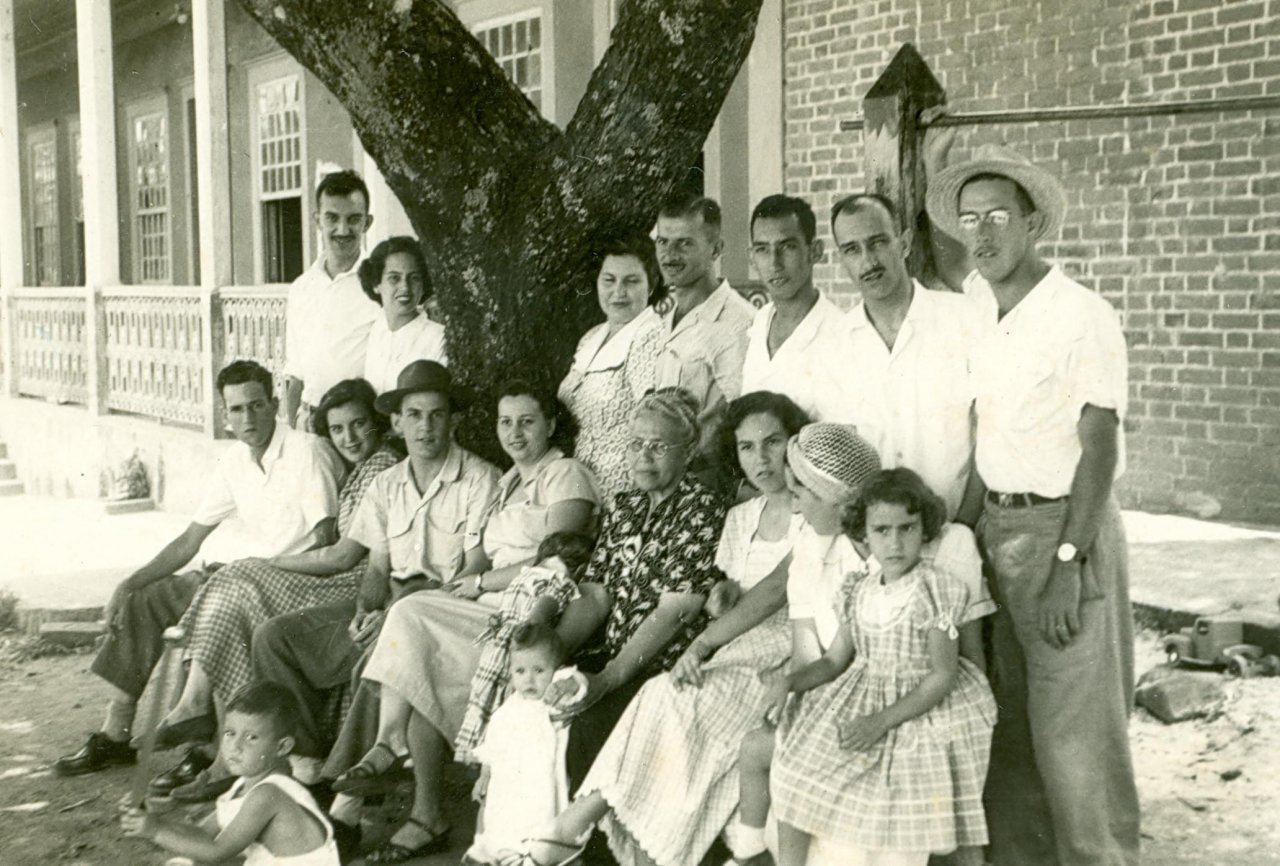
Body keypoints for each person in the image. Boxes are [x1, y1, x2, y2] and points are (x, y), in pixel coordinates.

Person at [925, 143, 1138, 866]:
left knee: (1074, 737)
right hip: (998, 532)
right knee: (1006, 726)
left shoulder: (1081, 315)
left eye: (997, 218)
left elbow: (1100, 447)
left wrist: (1071, 564)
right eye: (969, 220)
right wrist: (965, 524)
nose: (981, 234)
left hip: (1063, 532)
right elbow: (989, 426)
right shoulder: (982, 303)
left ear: (1033, 223)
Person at [526, 391, 809, 866]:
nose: (760, 459)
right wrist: (553, 651)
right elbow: (601, 592)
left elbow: (767, 591)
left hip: (749, 645)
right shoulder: (737, 518)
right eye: (746, 447)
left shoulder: (767, 512)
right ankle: (567, 835)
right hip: (720, 642)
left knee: (648, 701)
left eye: (772, 443)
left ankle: (582, 835)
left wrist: (631, 668)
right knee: (553, 703)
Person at [54, 360, 345, 779]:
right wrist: (130, 581)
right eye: (238, 409)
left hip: (299, 582)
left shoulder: (305, 450)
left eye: (257, 405)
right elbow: (191, 540)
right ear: (225, 415)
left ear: (274, 404)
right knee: (148, 596)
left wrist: (262, 568)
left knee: (221, 595)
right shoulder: (234, 462)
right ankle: (115, 734)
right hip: (246, 575)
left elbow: (325, 538)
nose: (249, 417)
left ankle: (204, 749)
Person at [247, 361, 500, 825]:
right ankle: (304, 767)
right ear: (398, 423)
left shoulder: (480, 480)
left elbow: (472, 571)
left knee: (379, 659)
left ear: (453, 420)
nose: (425, 427)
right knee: (274, 636)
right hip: (387, 604)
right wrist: (367, 608)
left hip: (436, 613)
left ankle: (345, 798)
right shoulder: (386, 484)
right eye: (414, 415)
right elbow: (377, 566)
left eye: (437, 414)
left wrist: (395, 613)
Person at [143, 379, 401, 799]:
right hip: (337, 578)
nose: (349, 438)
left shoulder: (382, 467)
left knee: (241, 581)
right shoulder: (360, 470)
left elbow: (340, 556)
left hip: (352, 582)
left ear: (378, 424)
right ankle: (219, 747)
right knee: (235, 590)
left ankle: (203, 720)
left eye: (359, 425)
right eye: (338, 430)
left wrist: (268, 563)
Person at [521, 388, 728, 866]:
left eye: (659, 446)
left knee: (589, 725)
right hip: (612, 655)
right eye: (635, 444)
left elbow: (676, 610)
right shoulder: (626, 505)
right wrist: (551, 652)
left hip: (661, 667)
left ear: (690, 450)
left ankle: (595, 857)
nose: (643, 455)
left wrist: (609, 677)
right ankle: (529, 842)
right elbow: (595, 595)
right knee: (535, 703)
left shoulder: (702, 507)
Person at [768, 468, 996, 866]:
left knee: (899, 788)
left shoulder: (935, 588)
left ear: (924, 529)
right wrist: (789, 681)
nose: (895, 543)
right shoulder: (858, 589)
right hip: (865, 690)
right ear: (864, 534)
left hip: (921, 700)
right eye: (882, 531)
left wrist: (880, 721)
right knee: (795, 762)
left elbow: (942, 675)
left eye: (907, 529)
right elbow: (834, 660)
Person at [831, 192, 983, 521]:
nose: (868, 261)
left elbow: (991, 432)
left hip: (960, 524)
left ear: (904, 243)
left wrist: (964, 528)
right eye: (852, 250)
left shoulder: (963, 319)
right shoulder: (837, 344)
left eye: (878, 243)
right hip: (882, 541)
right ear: (841, 259)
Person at [122, 682, 340, 866]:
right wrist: (151, 818)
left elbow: (217, 851)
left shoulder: (268, 794)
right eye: (229, 733)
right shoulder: (243, 785)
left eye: (251, 737)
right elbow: (202, 835)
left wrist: (155, 830)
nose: (235, 746)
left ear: (282, 747)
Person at [454, 531, 597, 765]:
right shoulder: (557, 581)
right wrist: (526, 637)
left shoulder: (525, 575)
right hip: (519, 645)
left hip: (496, 644)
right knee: (507, 700)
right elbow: (539, 615)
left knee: (483, 694)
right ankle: (491, 757)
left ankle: (476, 751)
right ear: (579, 569)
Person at [465, 622, 585, 866]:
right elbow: (494, 742)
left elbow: (578, 683)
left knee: (542, 817)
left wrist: (565, 684)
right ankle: (494, 853)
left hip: (542, 775)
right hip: (508, 777)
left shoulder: (554, 693)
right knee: (496, 813)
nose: (529, 679)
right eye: (520, 671)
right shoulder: (510, 705)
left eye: (539, 670)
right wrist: (484, 774)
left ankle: (535, 856)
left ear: (555, 668)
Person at [559, 232, 666, 498]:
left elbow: (652, 423)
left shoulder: (650, 336)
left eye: (631, 281)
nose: (618, 292)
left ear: (651, 286)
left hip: (623, 490)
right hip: (579, 486)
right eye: (609, 280)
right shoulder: (592, 337)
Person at [652, 192, 755, 452]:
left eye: (684, 243)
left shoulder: (738, 322)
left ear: (716, 249)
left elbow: (737, 418)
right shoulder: (662, 317)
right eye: (662, 242)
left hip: (703, 477)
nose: (669, 254)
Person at [741, 195, 855, 424]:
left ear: (814, 251)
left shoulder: (841, 336)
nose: (775, 263)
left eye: (787, 247)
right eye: (763, 249)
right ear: (752, 258)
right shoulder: (760, 321)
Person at [284, 169, 380, 430]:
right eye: (332, 218)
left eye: (353, 219)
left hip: (360, 427)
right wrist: (291, 434)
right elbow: (295, 375)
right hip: (310, 421)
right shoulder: (301, 288)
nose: (342, 229)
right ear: (317, 221)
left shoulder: (379, 283)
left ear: (367, 223)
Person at [360, 236, 448, 393]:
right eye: (394, 278)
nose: (405, 287)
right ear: (376, 284)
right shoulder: (376, 329)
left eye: (414, 278)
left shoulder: (438, 339)